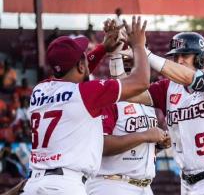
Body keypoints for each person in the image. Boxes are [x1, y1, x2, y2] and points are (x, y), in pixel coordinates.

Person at [21, 16, 150, 195]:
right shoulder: (85, 93)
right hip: (65, 186)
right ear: (81, 65)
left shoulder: (39, 90)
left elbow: (74, 71)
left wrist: (103, 48)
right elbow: (141, 82)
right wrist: (138, 45)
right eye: (83, 58)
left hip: (34, 183)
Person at [112, 29, 204, 194]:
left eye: (185, 55)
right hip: (188, 183)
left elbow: (193, 79)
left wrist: (144, 52)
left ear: (201, 58)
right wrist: (115, 56)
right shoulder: (168, 88)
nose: (179, 61)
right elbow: (126, 92)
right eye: (176, 56)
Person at [86, 47, 171, 195]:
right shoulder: (108, 96)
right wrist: (145, 136)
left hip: (144, 185)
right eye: (128, 62)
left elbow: (135, 146)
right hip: (112, 184)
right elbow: (101, 145)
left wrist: (158, 144)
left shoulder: (147, 99)